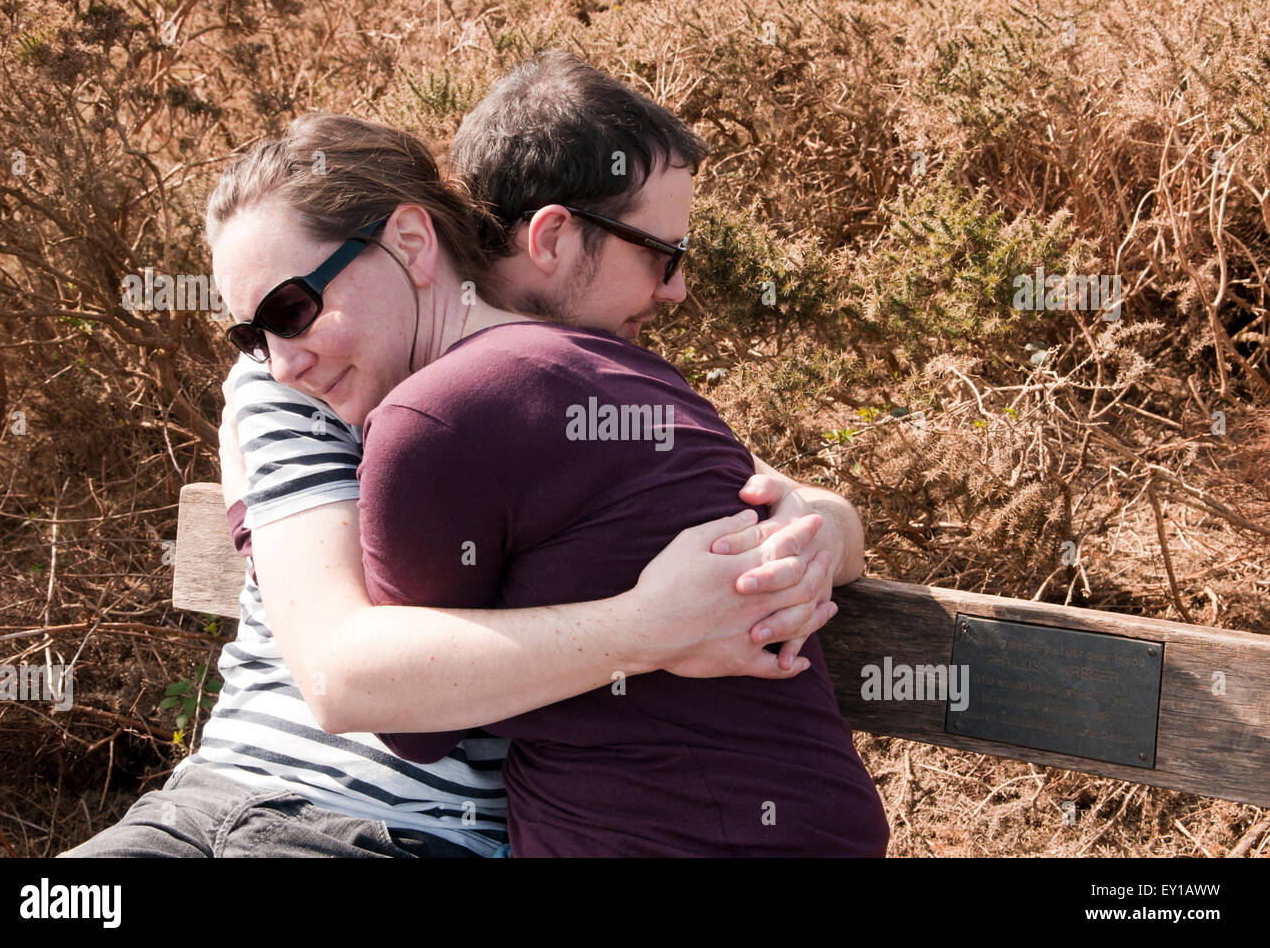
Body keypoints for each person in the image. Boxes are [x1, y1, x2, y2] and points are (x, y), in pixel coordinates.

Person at [61, 103, 839, 857]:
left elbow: (728, 500)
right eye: (250, 330)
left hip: (403, 834)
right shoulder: (294, 380)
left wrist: (818, 522)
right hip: (201, 806)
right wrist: (645, 626)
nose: (279, 355)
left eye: (293, 309)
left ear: (411, 241)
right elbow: (342, 674)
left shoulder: (549, 385)